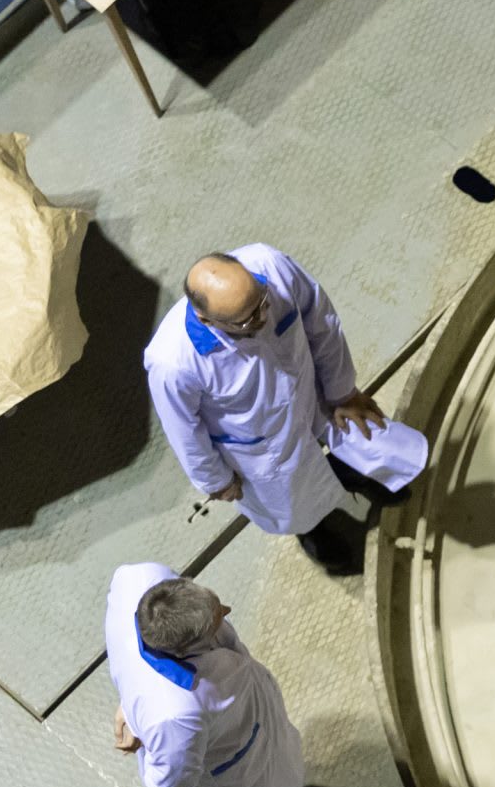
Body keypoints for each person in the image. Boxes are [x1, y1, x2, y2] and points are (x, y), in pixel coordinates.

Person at [143, 245, 412, 574]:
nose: (263, 317)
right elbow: (184, 431)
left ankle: (357, 476)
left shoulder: (270, 265)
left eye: (262, 301)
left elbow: (321, 321)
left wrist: (343, 392)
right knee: (294, 498)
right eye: (247, 320)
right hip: (259, 441)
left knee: (349, 435)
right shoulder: (172, 363)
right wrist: (216, 480)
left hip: (308, 390)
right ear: (207, 320)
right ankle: (313, 531)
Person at [104, 562, 344, 787]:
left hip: (251, 729)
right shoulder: (175, 716)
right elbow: (168, 785)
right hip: (236, 780)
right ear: (184, 649)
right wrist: (140, 727)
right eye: (218, 617)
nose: (226, 612)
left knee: (276, 779)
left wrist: (130, 705)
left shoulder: (143, 578)